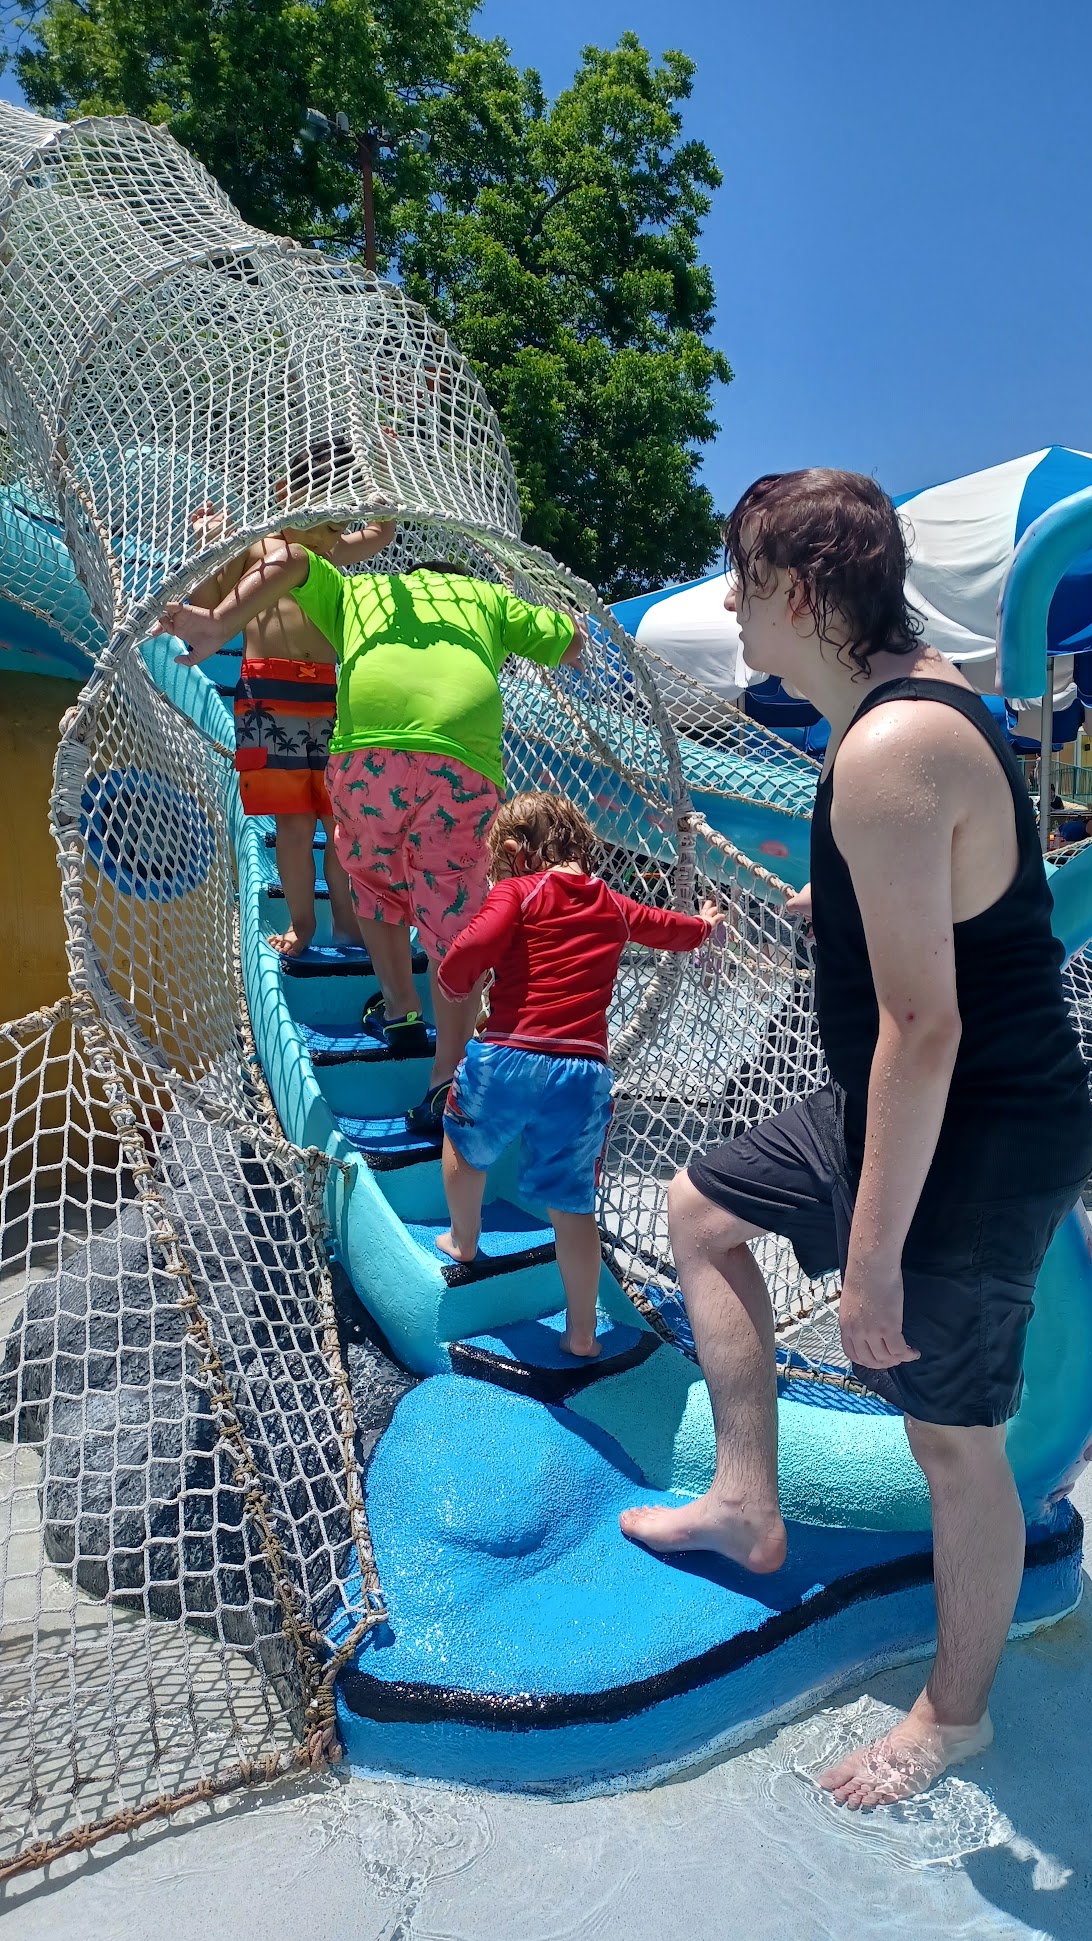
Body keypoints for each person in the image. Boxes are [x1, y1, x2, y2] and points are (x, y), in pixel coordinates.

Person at [618, 469, 1092, 1809]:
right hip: (906, 1099)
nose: (731, 606)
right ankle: (746, 1501)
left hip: (979, 1130)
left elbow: (924, 1026)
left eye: (743, 581)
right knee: (702, 1210)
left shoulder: (893, 749)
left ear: (801, 592)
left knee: (953, 1440)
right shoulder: (900, 707)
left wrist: (872, 1260)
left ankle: (955, 1714)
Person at [158, 544, 585, 1133]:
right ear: (460, 584)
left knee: (375, 883)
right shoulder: (487, 598)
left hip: (370, 756)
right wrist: (567, 623)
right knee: (452, 919)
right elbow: (571, 642)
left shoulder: (364, 591)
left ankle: (400, 1006)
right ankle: (447, 1079)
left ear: (411, 578)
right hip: (461, 763)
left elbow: (290, 557)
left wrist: (219, 622)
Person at [435, 792, 722, 1357]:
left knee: (463, 1142)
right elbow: (668, 929)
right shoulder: (611, 901)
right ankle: (584, 1332)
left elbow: (476, 944)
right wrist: (702, 925)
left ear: (516, 850)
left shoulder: (519, 889)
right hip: (583, 1074)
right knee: (574, 1205)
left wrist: (453, 982)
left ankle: (464, 1240)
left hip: (511, 1055)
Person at [190, 440, 396, 957]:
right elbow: (205, 604)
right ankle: (302, 924)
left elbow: (381, 533)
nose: (330, 537)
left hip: (328, 692)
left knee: (340, 819)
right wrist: (211, 547)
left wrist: (382, 466)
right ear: (286, 496)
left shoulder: (327, 550)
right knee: (294, 822)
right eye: (323, 522)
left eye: (338, 525)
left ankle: (346, 921)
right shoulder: (256, 546)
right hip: (269, 693)